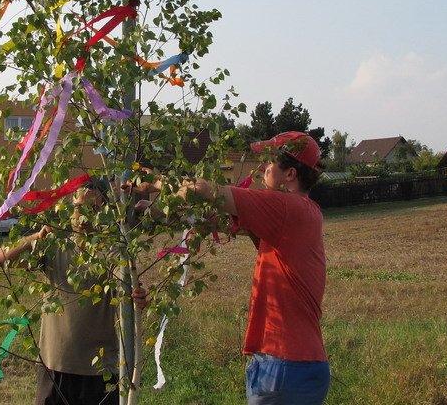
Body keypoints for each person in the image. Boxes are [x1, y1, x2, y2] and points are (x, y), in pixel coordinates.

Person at [132, 131, 329, 405]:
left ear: (290, 175)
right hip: (300, 365)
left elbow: (203, 190)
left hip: (282, 365)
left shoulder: (285, 206)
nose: (262, 168)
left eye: (270, 162)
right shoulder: (303, 212)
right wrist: (158, 211)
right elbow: (220, 223)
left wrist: (154, 182)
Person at [0, 178, 120, 405]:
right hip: (55, 365)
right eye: (80, 208)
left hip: (100, 371)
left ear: (103, 213)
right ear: (71, 208)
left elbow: (129, 291)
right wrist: (35, 237)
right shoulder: (54, 248)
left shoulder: (112, 253)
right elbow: (0, 258)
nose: (84, 217)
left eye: (93, 209)